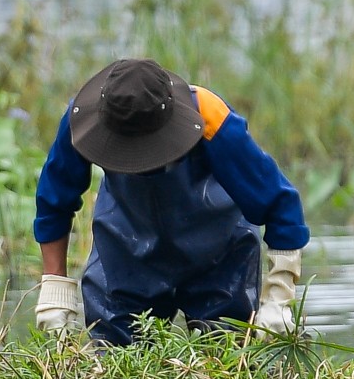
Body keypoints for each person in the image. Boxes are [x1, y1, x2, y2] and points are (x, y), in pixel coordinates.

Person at [31, 58, 307, 345]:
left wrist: (279, 295)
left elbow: (279, 203)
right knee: (115, 360)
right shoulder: (82, 119)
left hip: (218, 255)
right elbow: (55, 200)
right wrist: (55, 285)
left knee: (225, 355)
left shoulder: (210, 115)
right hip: (123, 249)